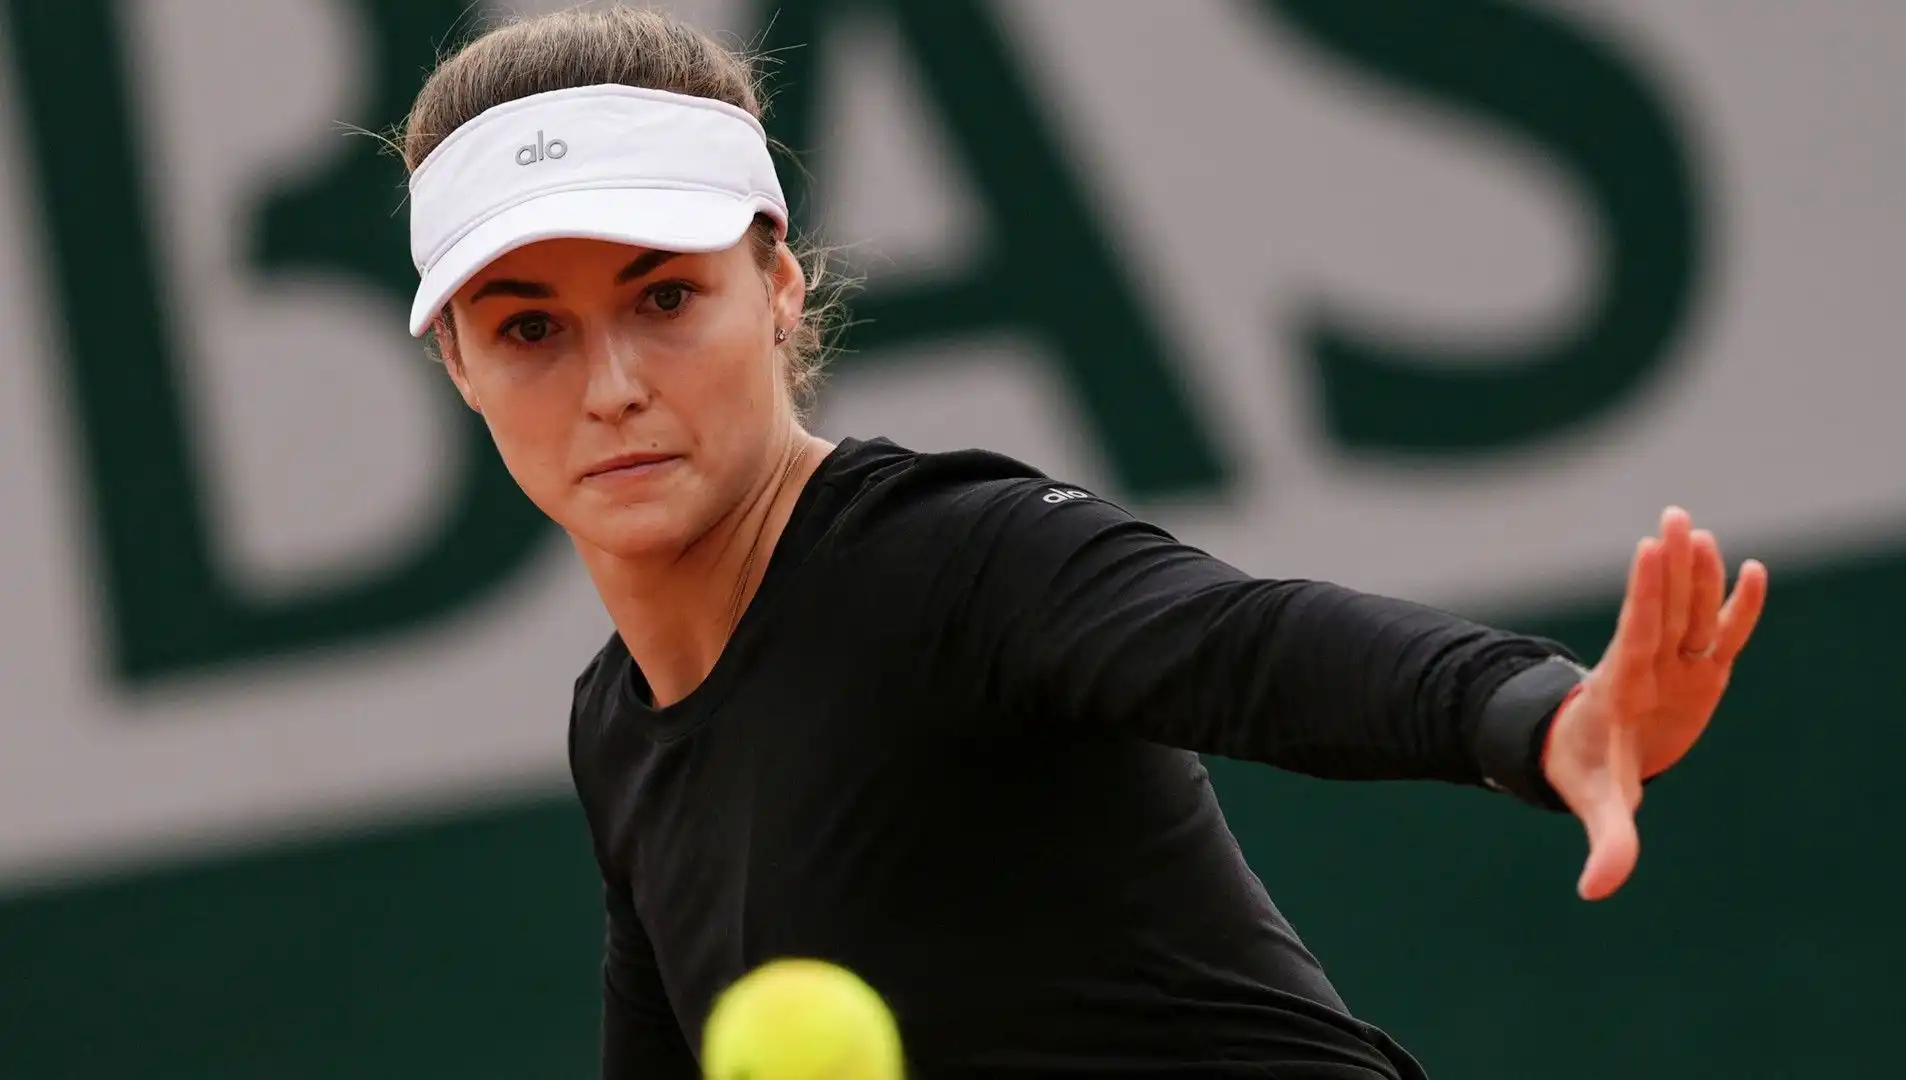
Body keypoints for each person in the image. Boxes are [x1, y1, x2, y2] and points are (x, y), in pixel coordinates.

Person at [395, 9, 1767, 1079]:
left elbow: (1247, 639)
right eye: (529, 328)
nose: (612, 384)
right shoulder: (617, 731)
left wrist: (1535, 714)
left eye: (665, 296)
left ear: (778, 288)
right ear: (458, 367)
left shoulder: (948, 559)